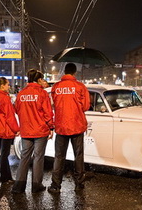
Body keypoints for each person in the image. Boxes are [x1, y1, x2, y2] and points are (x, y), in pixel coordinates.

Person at [48, 63, 90, 194]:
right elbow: (86, 106)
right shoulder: (80, 87)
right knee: (78, 156)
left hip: (61, 126)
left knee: (59, 156)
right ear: (75, 73)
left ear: (64, 72)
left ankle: (55, 185)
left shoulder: (56, 87)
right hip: (76, 125)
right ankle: (79, 184)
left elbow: (55, 104)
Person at [12, 69, 54, 194]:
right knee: (38, 158)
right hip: (40, 130)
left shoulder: (21, 94)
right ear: (39, 79)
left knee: (24, 157)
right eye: (42, 79)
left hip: (26, 130)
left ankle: (18, 187)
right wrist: (51, 127)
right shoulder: (42, 93)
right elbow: (48, 113)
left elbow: (16, 109)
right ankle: (36, 186)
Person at [0, 77, 19, 183]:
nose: (9, 86)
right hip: (5, 130)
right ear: (2, 86)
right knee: (4, 154)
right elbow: (10, 117)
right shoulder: (5, 98)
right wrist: (16, 129)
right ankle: (5, 177)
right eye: (8, 84)